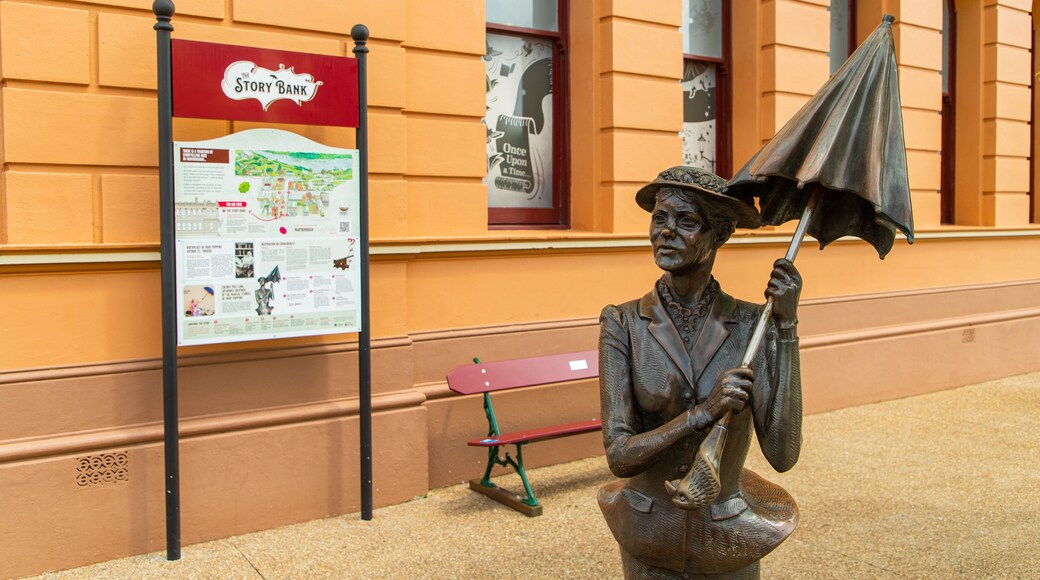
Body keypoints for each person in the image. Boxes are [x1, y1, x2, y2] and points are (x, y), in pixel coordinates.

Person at [598, 166, 803, 579]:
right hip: (649, 533)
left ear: (720, 234)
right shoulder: (623, 324)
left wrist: (787, 327)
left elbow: (783, 454)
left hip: (727, 537)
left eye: (686, 221)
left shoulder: (751, 324)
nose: (665, 232)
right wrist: (703, 412)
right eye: (659, 218)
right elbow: (619, 455)